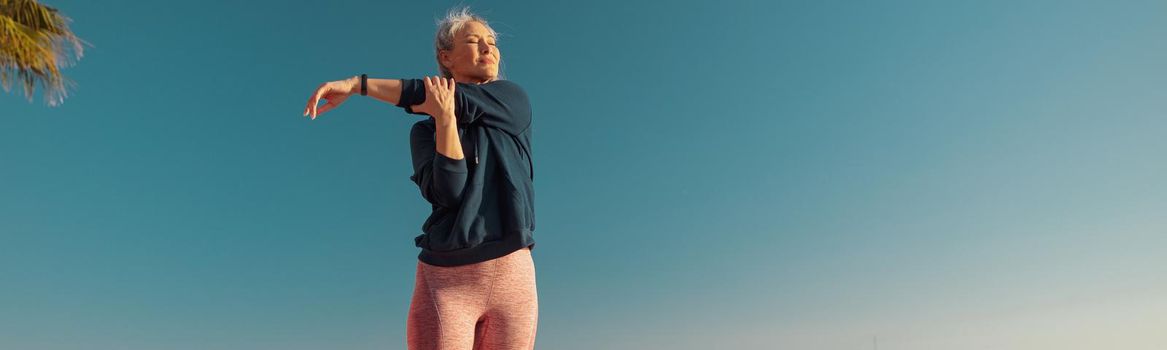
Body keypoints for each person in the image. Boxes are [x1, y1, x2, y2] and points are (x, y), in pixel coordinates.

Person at [300, 6, 538, 350]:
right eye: (473, 41)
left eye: (492, 42)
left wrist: (357, 85)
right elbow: (450, 192)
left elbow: (438, 96)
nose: (488, 48)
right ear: (446, 57)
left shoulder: (512, 102)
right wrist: (444, 122)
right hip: (446, 278)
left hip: (512, 275)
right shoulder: (423, 133)